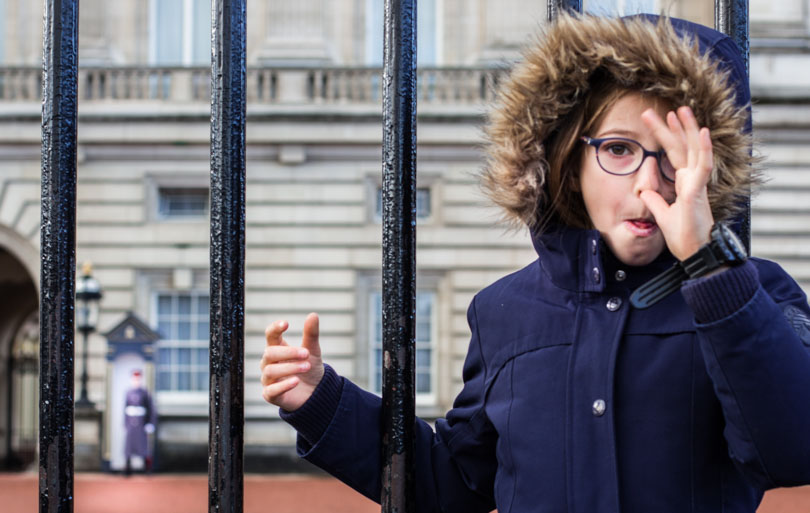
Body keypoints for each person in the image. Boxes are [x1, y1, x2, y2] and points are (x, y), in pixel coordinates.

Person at [259, 12, 810, 513]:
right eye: (619, 149)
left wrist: (709, 262)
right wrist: (324, 403)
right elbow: (451, 482)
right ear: (569, 159)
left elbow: (792, 450)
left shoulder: (755, 293)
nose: (649, 186)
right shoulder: (503, 310)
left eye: (675, 157)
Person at [123, 369, 157, 475]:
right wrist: (125, 422)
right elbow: (125, 408)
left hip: (141, 423)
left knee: (143, 446)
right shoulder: (128, 392)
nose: (136, 381)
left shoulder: (145, 393)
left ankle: (146, 468)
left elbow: (150, 409)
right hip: (131, 423)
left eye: (138, 379)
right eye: (134, 379)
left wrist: (151, 423)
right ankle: (128, 467)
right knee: (129, 446)